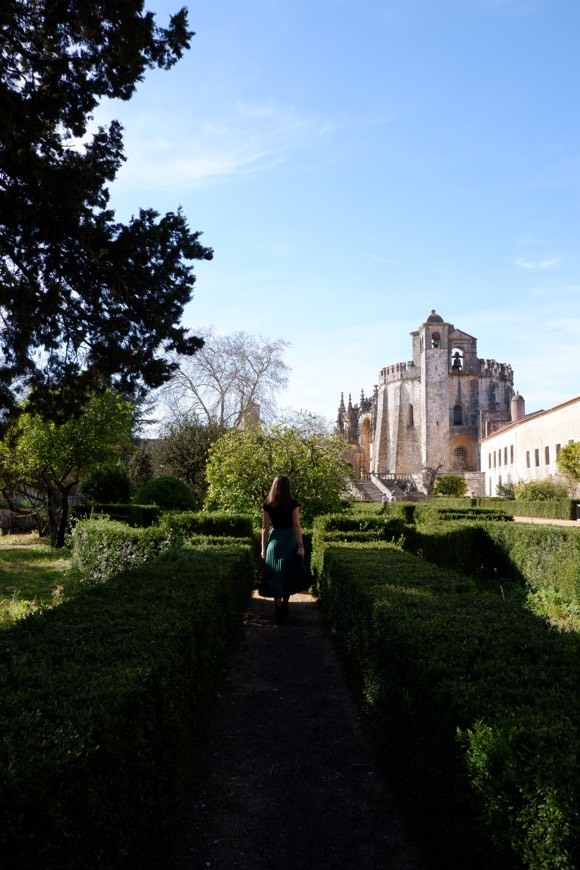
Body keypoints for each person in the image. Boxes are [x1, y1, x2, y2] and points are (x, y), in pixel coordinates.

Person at [261, 474, 305, 625]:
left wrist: (263, 548)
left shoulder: (268, 504)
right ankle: (285, 604)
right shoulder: (293, 503)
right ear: (288, 487)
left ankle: (278, 609)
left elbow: (265, 529)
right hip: (289, 540)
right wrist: (301, 546)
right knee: (287, 574)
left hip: (274, 541)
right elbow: (297, 525)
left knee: (276, 576)